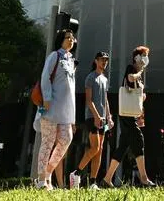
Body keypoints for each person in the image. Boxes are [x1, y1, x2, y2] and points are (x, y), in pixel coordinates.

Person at [102, 45, 154, 188]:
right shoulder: (131, 69)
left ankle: (107, 179)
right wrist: (140, 71)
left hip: (131, 114)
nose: (145, 59)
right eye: (143, 55)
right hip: (127, 116)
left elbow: (134, 90)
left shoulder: (138, 73)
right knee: (139, 139)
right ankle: (144, 178)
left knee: (122, 147)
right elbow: (130, 79)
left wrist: (142, 97)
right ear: (137, 58)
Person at [35, 28, 78, 189]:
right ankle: (41, 180)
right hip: (51, 107)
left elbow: (71, 91)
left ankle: (48, 172)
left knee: (66, 139)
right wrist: (47, 98)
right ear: (60, 40)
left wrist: (72, 118)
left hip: (65, 112)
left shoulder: (72, 60)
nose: (71, 40)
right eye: (68, 37)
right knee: (47, 142)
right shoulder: (55, 55)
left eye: (72, 38)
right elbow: (45, 76)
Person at [72, 51, 114, 188]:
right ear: (96, 61)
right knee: (94, 147)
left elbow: (105, 100)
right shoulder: (90, 77)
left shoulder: (105, 79)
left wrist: (109, 117)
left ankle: (93, 181)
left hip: (103, 119)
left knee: (100, 149)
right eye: (102, 59)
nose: (104, 62)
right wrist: (96, 116)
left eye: (106, 60)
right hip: (92, 117)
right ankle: (77, 173)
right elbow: (89, 100)